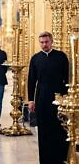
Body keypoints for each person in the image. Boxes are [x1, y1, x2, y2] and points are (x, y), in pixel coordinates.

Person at [28, 31, 68, 164]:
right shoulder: (35, 58)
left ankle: (60, 157)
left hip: (59, 96)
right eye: (42, 42)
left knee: (59, 128)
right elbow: (31, 81)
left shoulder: (61, 56)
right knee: (44, 129)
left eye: (46, 42)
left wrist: (67, 98)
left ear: (52, 42)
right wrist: (31, 100)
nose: (44, 44)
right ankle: (45, 159)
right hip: (42, 97)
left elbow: (67, 78)